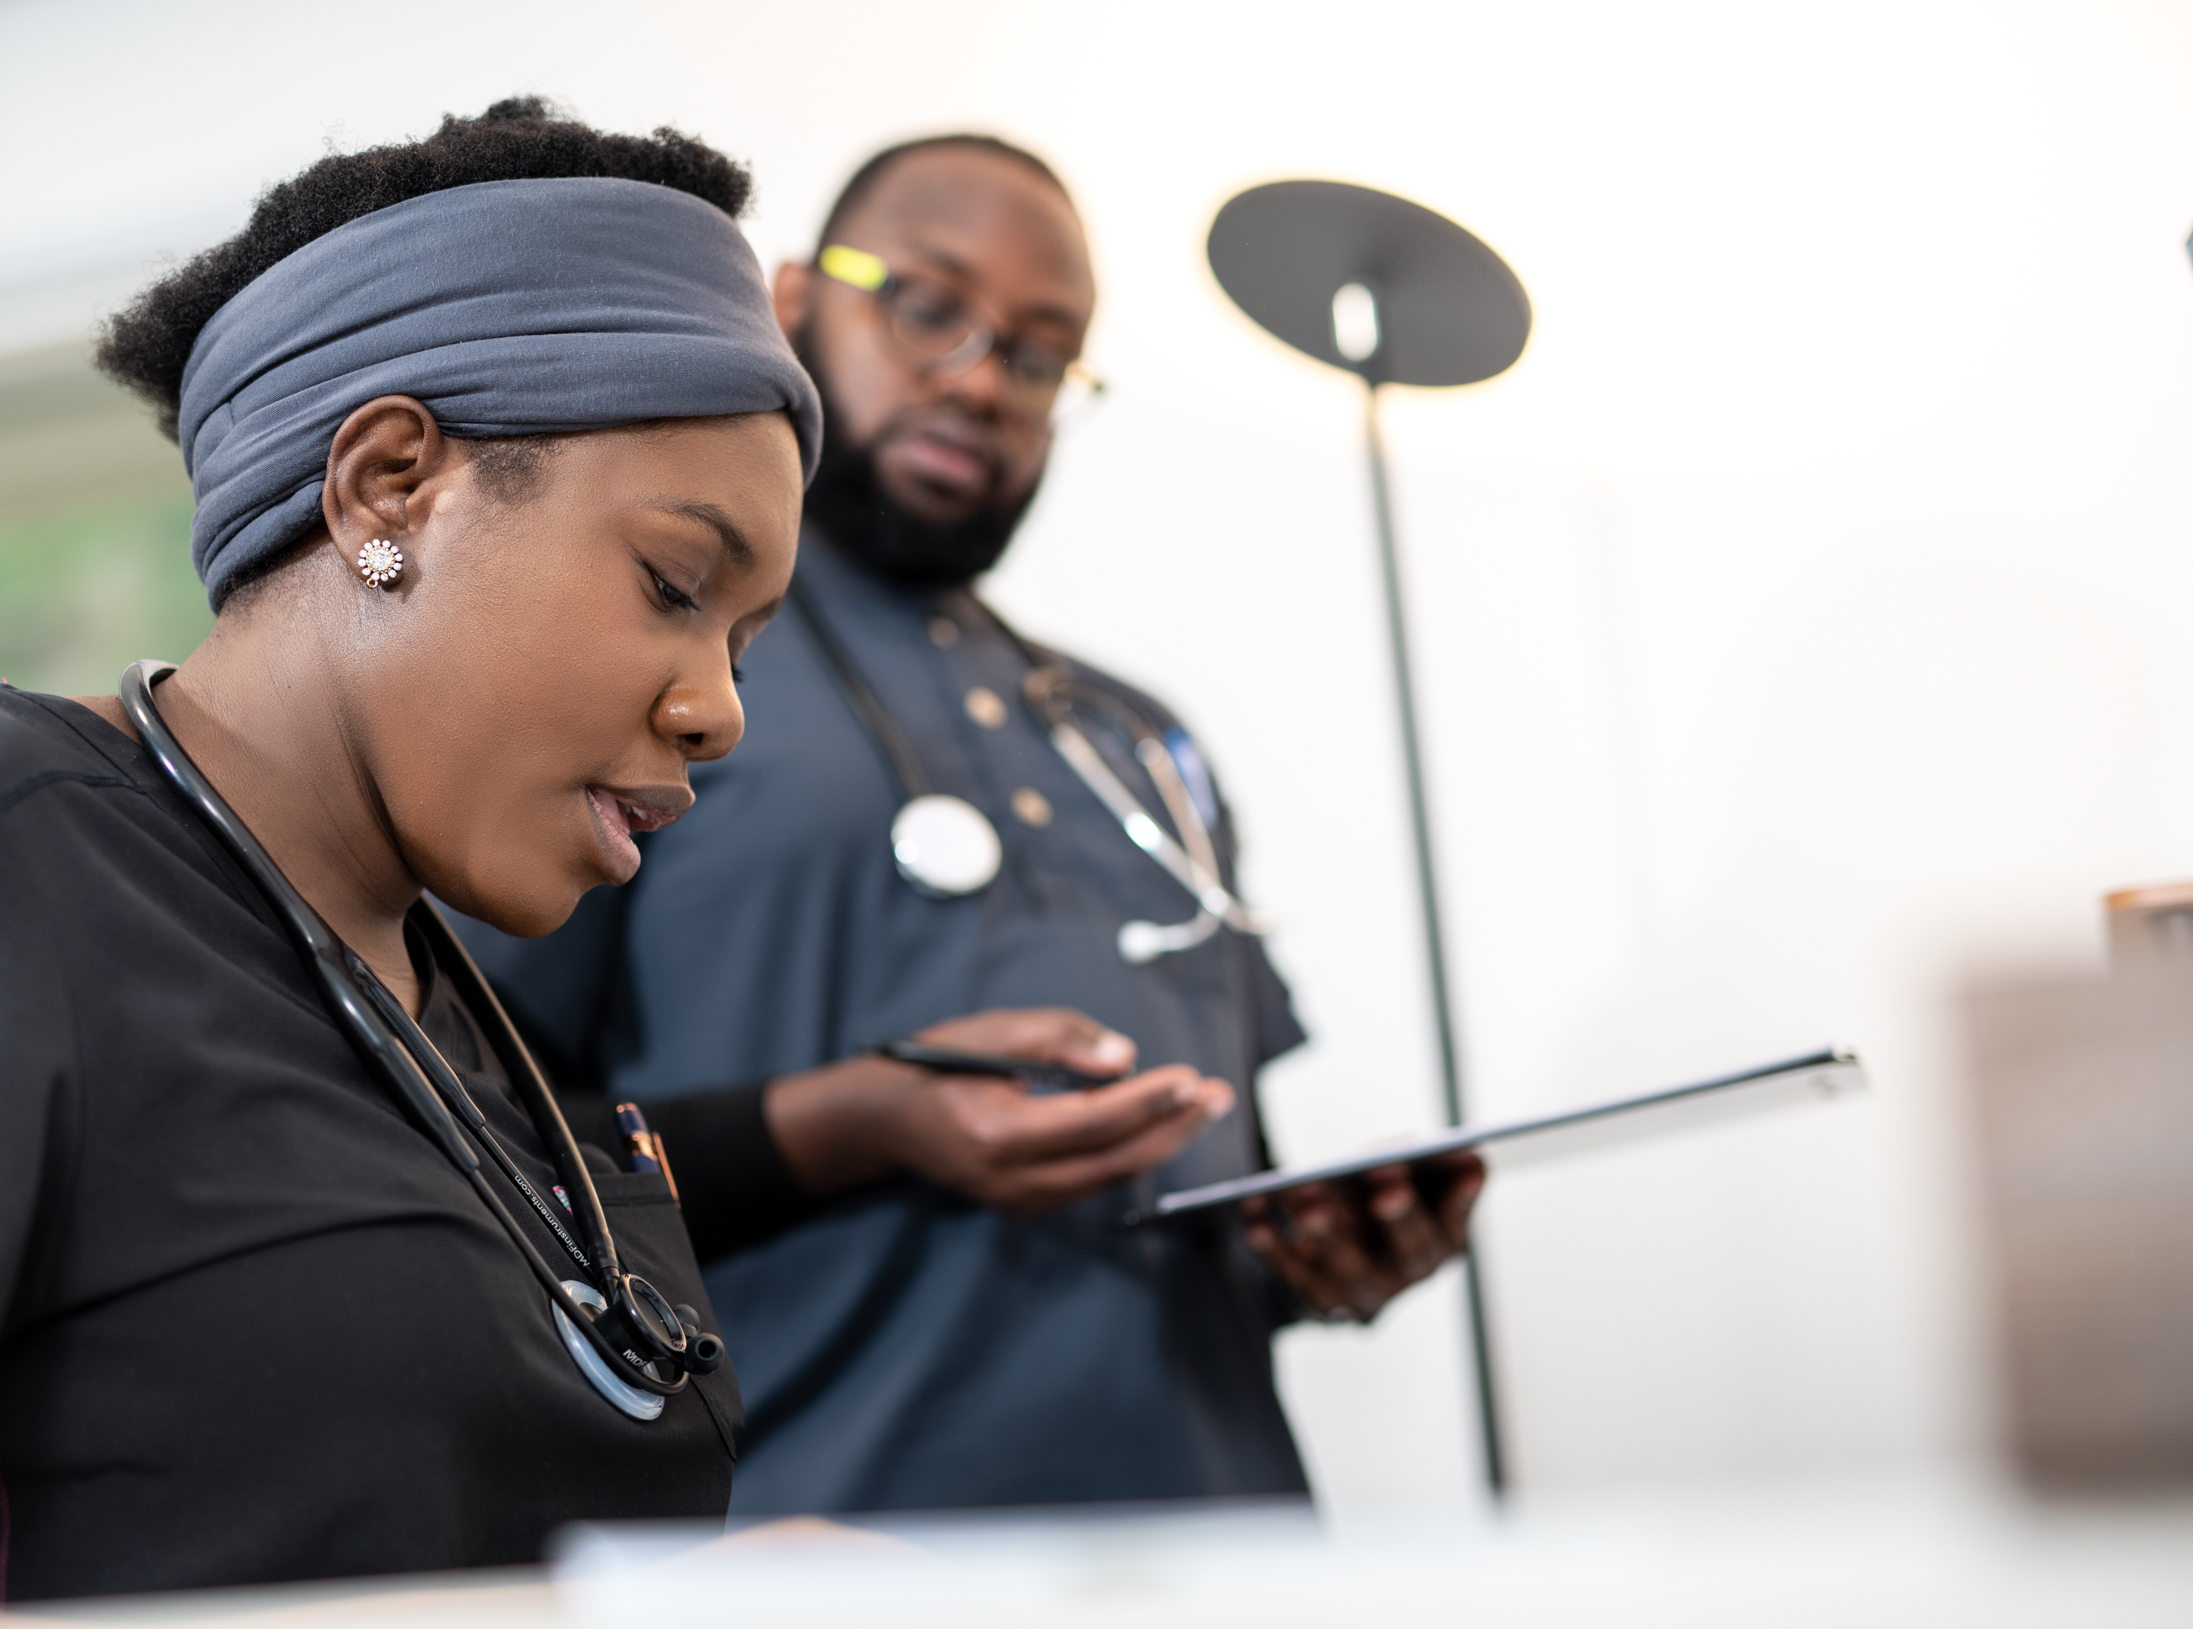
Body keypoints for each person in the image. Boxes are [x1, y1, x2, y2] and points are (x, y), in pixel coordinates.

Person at [0, 99, 820, 1625]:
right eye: (674, 585)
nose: (720, 711)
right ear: (387, 488)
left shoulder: (481, 1059)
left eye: (749, 643)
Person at [456, 134, 1483, 1515]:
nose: (984, 377)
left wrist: (1315, 1254)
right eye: (930, 306)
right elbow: (469, 1158)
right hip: (833, 1558)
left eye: (1043, 353)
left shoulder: (1140, 741)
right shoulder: (645, 688)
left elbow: (1221, 1181)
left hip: (1228, 1546)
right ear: (798, 303)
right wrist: (853, 1124)